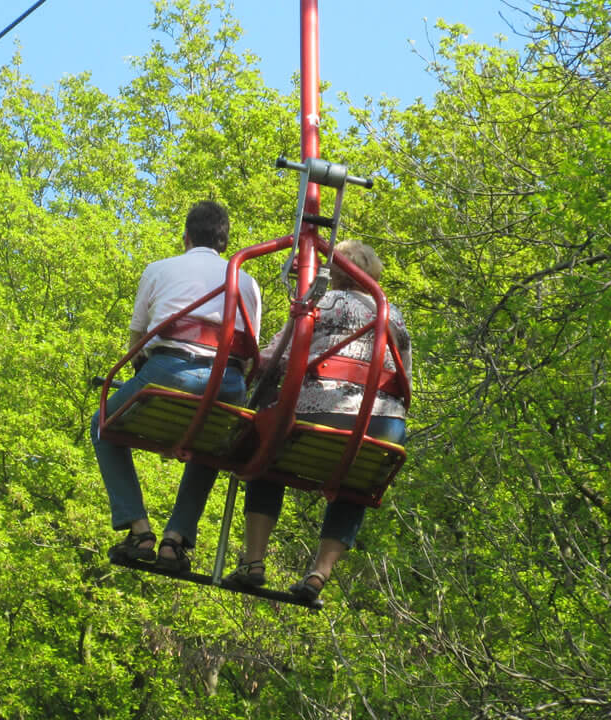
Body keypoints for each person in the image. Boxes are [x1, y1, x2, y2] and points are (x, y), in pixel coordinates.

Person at [227, 239, 410, 601]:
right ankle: (319, 573)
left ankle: (254, 559)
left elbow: (277, 359)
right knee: (357, 477)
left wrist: (244, 368)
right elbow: (404, 378)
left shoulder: (318, 303)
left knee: (265, 455)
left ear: (334, 270)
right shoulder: (394, 314)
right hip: (384, 427)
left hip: (324, 413)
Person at [92, 200, 262, 573]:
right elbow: (248, 356)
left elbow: (138, 339)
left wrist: (143, 370)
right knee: (212, 441)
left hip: (169, 372)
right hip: (228, 384)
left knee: (102, 423)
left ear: (185, 236)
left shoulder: (160, 269)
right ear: (224, 240)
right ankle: (177, 539)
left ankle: (139, 529)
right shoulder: (248, 283)